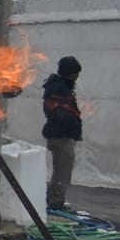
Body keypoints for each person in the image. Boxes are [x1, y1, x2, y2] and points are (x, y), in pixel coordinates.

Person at [41, 54, 83, 213]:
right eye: (75, 73)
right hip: (61, 136)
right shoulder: (59, 89)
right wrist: (70, 125)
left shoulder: (61, 87)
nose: (77, 76)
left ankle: (53, 199)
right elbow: (57, 112)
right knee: (62, 171)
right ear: (68, 72)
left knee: (61, 170)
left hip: (62, 135)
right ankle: (55, 203)